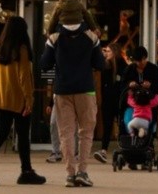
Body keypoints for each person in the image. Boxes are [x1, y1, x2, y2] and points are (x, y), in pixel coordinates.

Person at [0, 16, 46, 186]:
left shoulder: (0, 49)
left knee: (1, 132)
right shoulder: (21, 49)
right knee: (22, 136)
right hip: (17, 99)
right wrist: (29, 100)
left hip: (0, 98)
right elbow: (24, 78)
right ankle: (26, 171)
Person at [40, 14, 104, 188]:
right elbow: (100, 64)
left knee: (66, 134)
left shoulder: (54, 38)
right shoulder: (91, 37)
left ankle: (70, 175)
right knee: (86, 132)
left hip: (62, 91)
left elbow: (44, 64)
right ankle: (82, 172)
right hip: (86, 90)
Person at [93, 43, 126, 164]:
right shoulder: (106, 65)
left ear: (114, 52)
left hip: (120, 100)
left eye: (108, 51)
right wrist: (100, 54)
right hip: (108, 101)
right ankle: (103, 150)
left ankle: (125, 149)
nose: (106, 53)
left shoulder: (122, 65)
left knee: (122, 125)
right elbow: (98, 65)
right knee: (107, 126)